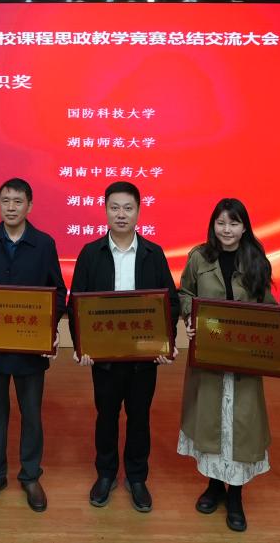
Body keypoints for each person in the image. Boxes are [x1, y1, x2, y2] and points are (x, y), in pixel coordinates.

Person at [178, 198, 280, 532]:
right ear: (212, 225)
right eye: (221, 223)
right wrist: (190, 317)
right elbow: (184, 293)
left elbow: (269, 306)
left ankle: (235, 495)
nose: (227, 229)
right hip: (209, 355)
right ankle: (214, 487)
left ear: (244, 226)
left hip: (244, 358)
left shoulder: (256, 260)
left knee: (240, 425)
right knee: (210, 421)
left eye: (233, 223)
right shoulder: (198, 257)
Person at [67, 181, 180, 513]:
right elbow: (77, 304)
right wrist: (82, 346)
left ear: (138, 212)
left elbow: (170, 303)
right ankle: (105, 474)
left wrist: (166, 343)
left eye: (128, 208)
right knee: (106, 416)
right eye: (114, 207)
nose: (121, 214)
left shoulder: (153, 254)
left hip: (143, 357)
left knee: (139, 417)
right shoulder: (91, 253)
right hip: (104, 356)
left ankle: (137, 477)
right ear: (105, 210)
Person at [0, 178, 67, 512]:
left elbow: (58, 292)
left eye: (17, 201)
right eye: (5, 201)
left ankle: (30, 475)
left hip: (30, 349)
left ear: (29, 206)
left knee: (31, 414)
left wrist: (49, 326)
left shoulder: (44, 243)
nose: (11, 207)